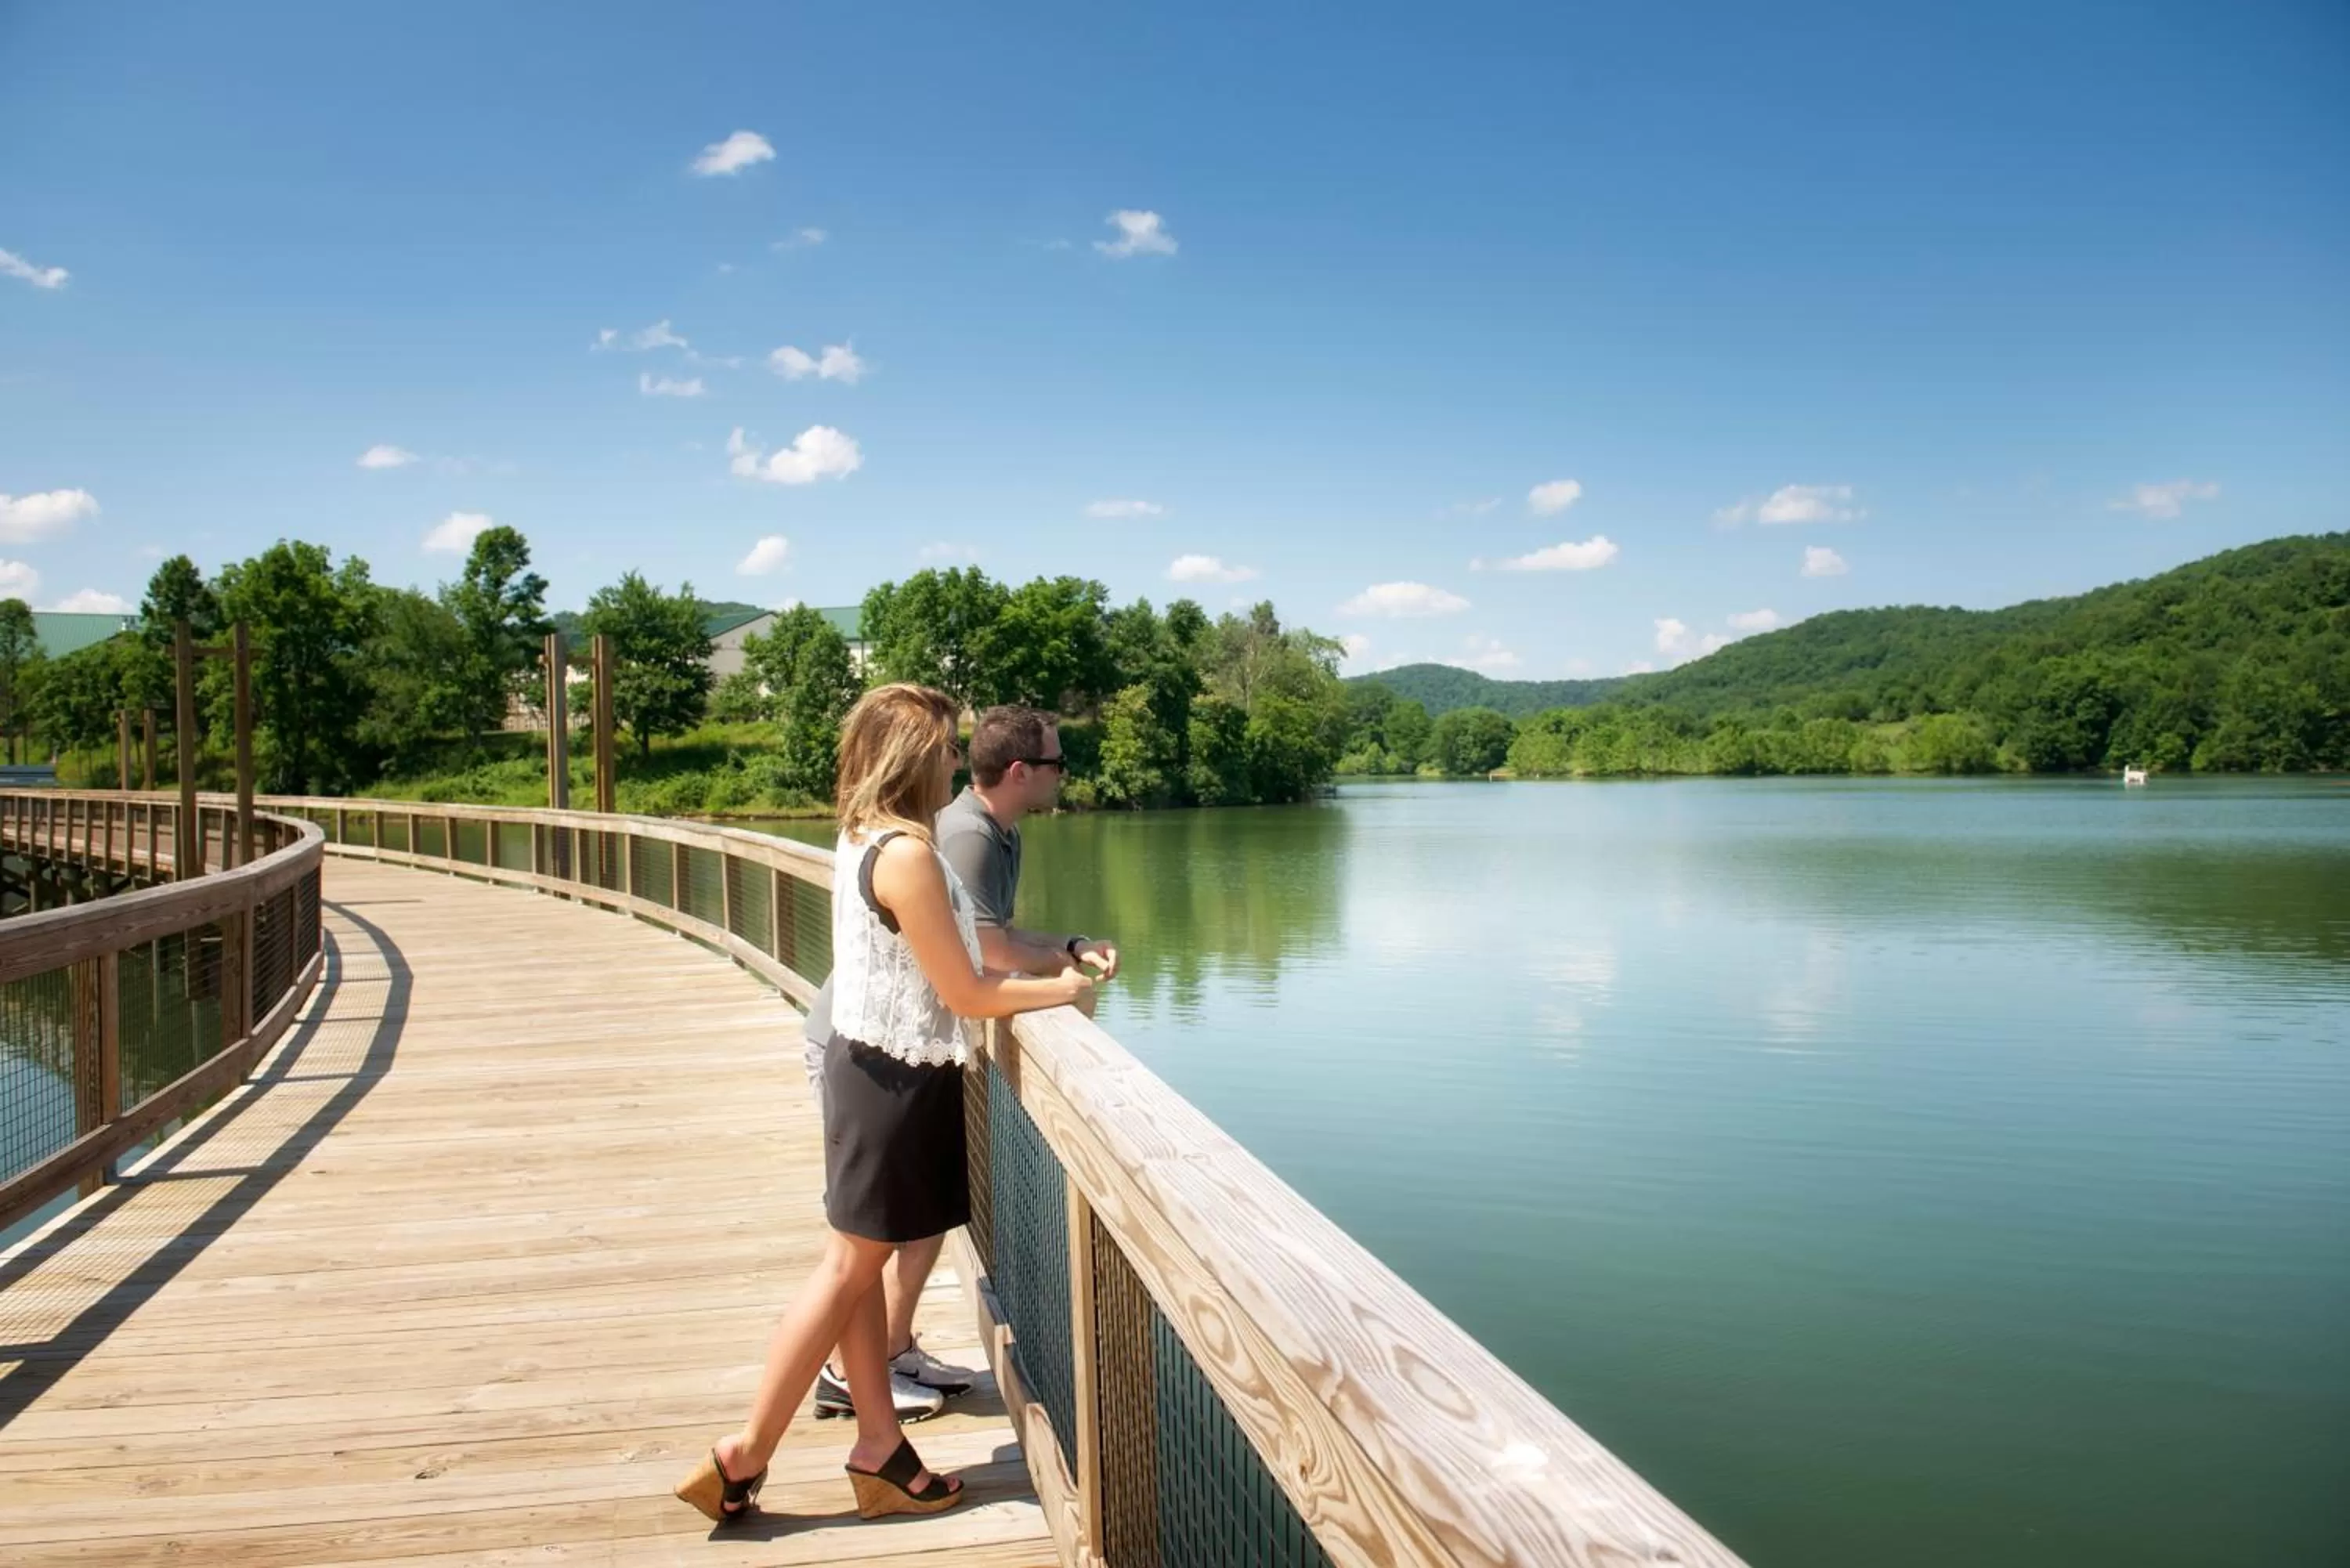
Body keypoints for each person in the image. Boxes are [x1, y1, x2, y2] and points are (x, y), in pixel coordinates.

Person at [674, 684, 1093, 1526]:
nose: (953, 762)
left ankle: (880, 1447)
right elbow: (968, 992)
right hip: (894, 1088)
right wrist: (1064, 988)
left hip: (866, 1068)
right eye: (943, 749)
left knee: (856, 1274)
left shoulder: (863, 833)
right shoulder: (906, 854)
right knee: (843, 1274)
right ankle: (743, 1453)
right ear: (912, 757)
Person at [797, 703, 1121, 1423]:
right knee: (867, 1245)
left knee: (911, 1224)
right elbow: (982, 963)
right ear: (1020, 772)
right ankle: (837, 1385)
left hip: (903, 1047)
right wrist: (1061, 989)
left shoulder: (992, 833)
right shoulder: (958, 837)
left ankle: (890, 1352)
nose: (1064, 776)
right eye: (1056, 764)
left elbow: (989, 942)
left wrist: (1067, 946)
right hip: (876, 1048)